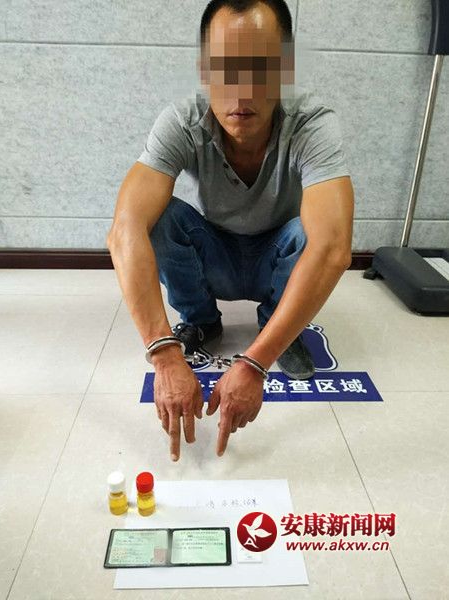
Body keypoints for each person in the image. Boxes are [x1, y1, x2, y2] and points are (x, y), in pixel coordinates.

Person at [107, 0, 354, 462]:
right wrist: (163, 354)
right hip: (214, 252)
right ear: (204, 71)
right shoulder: (182, 121)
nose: (242, 91)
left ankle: (280, 330)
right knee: (160, 219)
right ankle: (200, 322)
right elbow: (125, 230)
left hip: (278, 256)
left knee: (312, 233)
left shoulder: (312, 123)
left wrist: (256, 362)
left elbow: (335, 248)